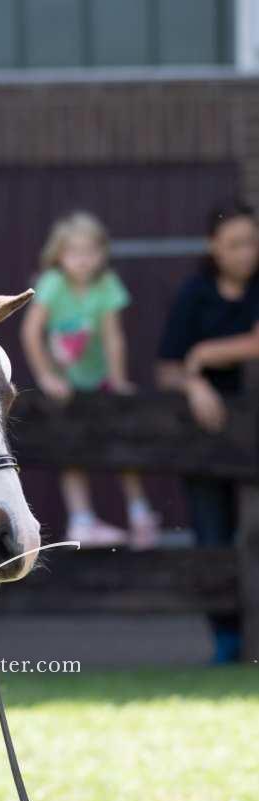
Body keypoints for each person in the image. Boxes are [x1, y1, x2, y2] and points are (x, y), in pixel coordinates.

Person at [157, 201, 259, 664]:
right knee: (211, 535)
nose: (245, 252)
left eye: (251, 242)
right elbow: (167, 368)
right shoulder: (194, 294)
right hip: (207, 439)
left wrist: (205, 355)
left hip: (251, 434)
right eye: (234, 244)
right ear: (214, 247)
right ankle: (227, 639)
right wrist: (194, 383)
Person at [21, 211, 159, 549]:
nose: (83, 260)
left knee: (123, 443)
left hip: (98, 380)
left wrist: (117, 379)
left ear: (102, 254)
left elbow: (113, 336)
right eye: (74, 252)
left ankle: (139, 512)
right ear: (59, 255)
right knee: (71, 448)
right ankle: (81, 518)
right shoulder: (52, 284)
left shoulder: (106, 285)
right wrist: (46, 377)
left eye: (90, 252)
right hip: (65, 384)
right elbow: (31, 333)